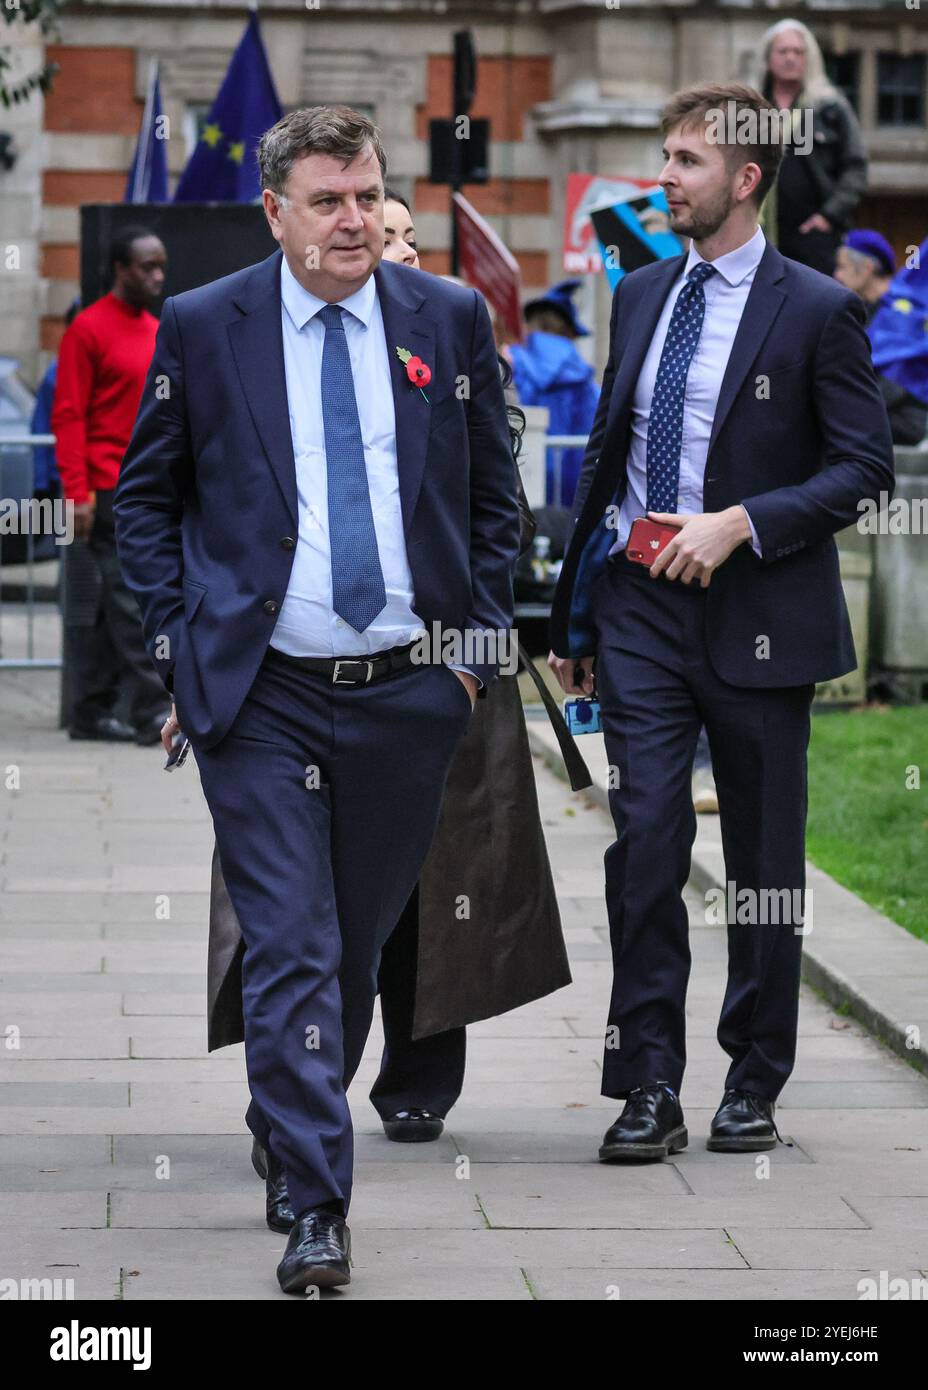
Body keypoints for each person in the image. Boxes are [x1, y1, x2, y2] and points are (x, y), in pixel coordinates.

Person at [114, 106, 521, 1294]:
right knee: (289, 938)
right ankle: (316, 1197)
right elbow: (146, 499)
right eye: (332, 200)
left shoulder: (444, 319)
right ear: (276, 211)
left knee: (345, 948)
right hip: (262, 692)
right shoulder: (205, 324)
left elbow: (493, 496)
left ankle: (292, 1112)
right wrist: (177, 644)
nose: (355, 220)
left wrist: (468, 654)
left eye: (369, 196)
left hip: (408, 693)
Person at [548, 82, 894, 1163]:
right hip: (640, 605)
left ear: (745, 178)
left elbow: (863, 467)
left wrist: (742, 522)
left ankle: (754, 1077)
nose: (665, 177)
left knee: (764, 862)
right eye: (664, 156)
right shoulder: (641, 291)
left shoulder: (815, 308)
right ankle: (646, 1082)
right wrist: (577, 596)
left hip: (756, 613)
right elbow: (613, 440)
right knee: (646, 836)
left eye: (686, 162)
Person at [205, 187, 571, 1168]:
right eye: (381, 230)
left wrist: (465, 659)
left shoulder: (456, 348)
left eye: (407, 234)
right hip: (298, 677)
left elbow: (503, 507)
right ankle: (296, 1102)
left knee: (441, 894)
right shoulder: (272, 340)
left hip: (439, 673)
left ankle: (415, 1082)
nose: (393, 246)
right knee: (306, 913)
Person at [51, 228, 170, 744]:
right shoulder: (88, 329)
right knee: (129, 602)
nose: (158, 276)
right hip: (104, 492)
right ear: (121, 269)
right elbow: (69, 414)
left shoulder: (158, 327)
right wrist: (76, 492)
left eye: (161, 265)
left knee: (104, 607)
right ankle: (149, 711)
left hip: (146, 489)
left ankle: (91, 710)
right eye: (147, 267)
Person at [756, 19, 867, 276]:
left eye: (798, 52)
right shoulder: (752, 108)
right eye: (783, 51)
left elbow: (856, 167)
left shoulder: (830, 108)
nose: (791, 58)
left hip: (813, 236)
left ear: (810, 58)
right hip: (759, 233)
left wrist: (828, 217)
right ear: (768, 58)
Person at [509, 279, 600, 507]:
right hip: (575, 488)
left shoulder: (511, 361)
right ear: (568, 331)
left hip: (521, 482)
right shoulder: (582, 376)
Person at [834, 229, 928, 446]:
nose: (836, 275)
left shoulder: (900, 313)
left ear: (867, 268)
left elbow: (895, 382)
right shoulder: (864, 310)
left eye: (842, 267)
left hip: (903, 421)